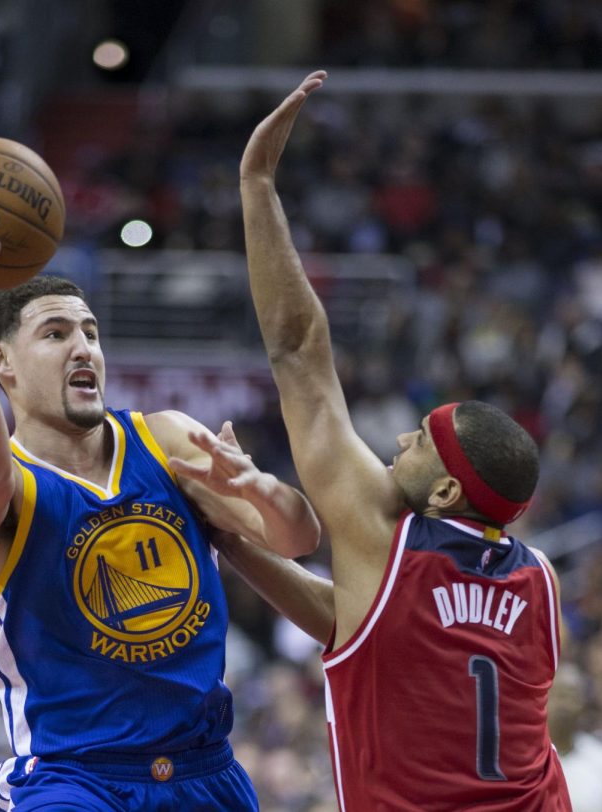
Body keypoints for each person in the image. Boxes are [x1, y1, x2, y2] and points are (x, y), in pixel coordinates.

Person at [179, 71, 573, 810]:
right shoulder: (540, 581)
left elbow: (298, 350)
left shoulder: (389, 536)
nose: (398, 438)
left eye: (421, 441)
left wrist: (257, 183)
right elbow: (361, 621)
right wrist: (232, 544)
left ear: (448, 491)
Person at [0, 199, 322, 811]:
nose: (84, 348)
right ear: (2, 362)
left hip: (205, 770)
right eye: (55, 334)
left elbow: (296, 539)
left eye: (91, 333)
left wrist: (265, 492)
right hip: (74, 780)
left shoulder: (166, 438)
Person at [548, 661, 602, 812]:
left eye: (571, 696)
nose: (563, 704)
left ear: (583, 704)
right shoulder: (523, 762)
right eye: (556, 695)